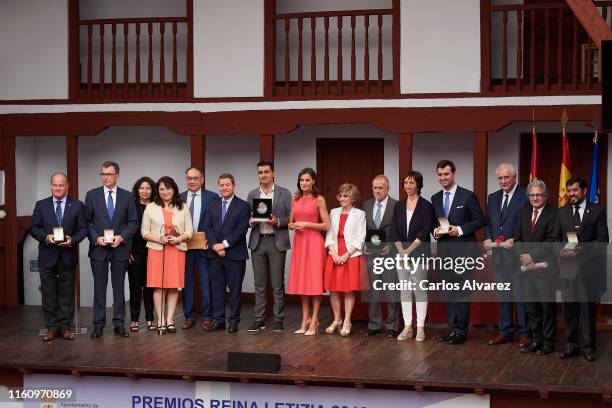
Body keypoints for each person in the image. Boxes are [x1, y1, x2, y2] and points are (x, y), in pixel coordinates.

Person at [431, 160, 485, 345]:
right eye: (440, 174)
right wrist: (435, 231)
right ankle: (453, 329)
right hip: (444, 253)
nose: (443, 178)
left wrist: (459, 230)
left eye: (446, 174)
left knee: (462, 293)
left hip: (464, 252)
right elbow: (434, 224)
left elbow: (479, 221)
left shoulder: (468, 196)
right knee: (448, 292)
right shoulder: (435, 198)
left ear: (453, 174)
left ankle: (461, 331)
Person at [30, 172, 88, 342]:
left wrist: (72, 241)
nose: (57, 188)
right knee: (48, 294)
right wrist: (46, 237)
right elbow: (34, 228)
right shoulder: (41, 205)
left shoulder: (77, 205)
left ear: (67, 186)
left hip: (67, 255)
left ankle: (65, 328)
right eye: (54, 185)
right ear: (51, 186)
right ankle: (51, 328)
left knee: (67, 293)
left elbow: (83, 229)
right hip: (47, 256)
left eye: (61, 185)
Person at [85, 161, 138, 339]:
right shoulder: (91, 195)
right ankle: (98, 325)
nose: (105, 177)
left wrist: (121, 237)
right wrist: (96, 238)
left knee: (119, 288)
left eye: (109, 174)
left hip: (120, 249)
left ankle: (119, 324)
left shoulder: (128, 196)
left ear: (117, 175)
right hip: (99, 249)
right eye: (103, 174)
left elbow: (133, 223)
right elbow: (86, 223)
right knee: (99, 288)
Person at [557, 177, 608, 361]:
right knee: (569, 311)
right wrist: (561, 251)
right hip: (568, 270)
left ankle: (588, 348)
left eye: (575, 190)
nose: (571, 194)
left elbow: (603, 240)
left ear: (584, 191)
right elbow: (554, 240)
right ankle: (571, 347)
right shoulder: (561, 212)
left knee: (587, 311)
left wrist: (581, 249)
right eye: (569, 191)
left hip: (589, 270)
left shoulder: (596, 210)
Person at [483, 163, 531, 347]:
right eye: (500, 178)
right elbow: (489, 224)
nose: (503, 181)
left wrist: (516, 240)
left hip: (517, 255)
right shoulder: (493, 198)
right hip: (498, 255)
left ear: (515, 177)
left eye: (506, 177)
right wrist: (488, 238)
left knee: (520, 296)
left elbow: (528, 224)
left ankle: (525, 332)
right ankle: (506, 331)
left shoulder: (525, 196)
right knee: (504, 297)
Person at [514, 179, 560, 355]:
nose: (535, 198)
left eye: (538, 195)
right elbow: (517, 238)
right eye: (532, 195)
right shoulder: (522, 213)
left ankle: (548, 343)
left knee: (547, 308)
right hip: (526, 269)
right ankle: (536, 340)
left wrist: (531, 256)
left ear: (545, 196)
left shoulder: (554, 214)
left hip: (544, 269)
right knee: (531, 307)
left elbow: (552, 240)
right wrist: (525, 258)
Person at [141, 176, 193, 334]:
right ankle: (160, 320)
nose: (165, 192)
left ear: (174, 189)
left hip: (176, 249)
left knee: (172, 286)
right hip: (157, 250)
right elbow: (144, 231)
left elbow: (189, 231)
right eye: (161, 189)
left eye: (168, 188)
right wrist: (159, 238)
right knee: (158, 286)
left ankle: (170, 320)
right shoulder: (150, 207)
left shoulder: (183, 207)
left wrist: (178, 238)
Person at [246, 161, 292, 332]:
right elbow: (246, 219)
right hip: (258, 241)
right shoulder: (252, 194)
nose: (263, 175)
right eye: (260, 172)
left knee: (277, 283)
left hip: (276, 240)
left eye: (266, 171)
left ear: (273, 173)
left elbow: (290, 217)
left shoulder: (284, 193)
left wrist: (278, 221)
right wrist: (250, 221)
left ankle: (278, 319)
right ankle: (259, 319)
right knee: (259, 284)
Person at [203, 173, 250, 333]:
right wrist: (216, 246)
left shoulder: (243, 206)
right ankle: (219, 320)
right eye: (221, 185)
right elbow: (207, 226)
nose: (224, 188)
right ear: (219, 186)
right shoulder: (212, 204)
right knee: (216, 288)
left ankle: (234, 321)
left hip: (235, 254)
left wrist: (223, 245)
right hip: (214, 254)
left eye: (227, 185)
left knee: (235, 289)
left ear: (233, 186)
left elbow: (241, 230)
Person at [391, 171, 434, 342]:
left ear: (418, 185)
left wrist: (408, 252)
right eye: (406, 183)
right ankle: (408, 327)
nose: (408, 186)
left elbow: (424, 231)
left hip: (419, 253)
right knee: (405, 290)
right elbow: (394, 230)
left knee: (420, 291)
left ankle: (420, 327)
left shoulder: (426, 206)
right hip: (401, 254)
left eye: (412, 183)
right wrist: (401, 251)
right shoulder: (399, 206)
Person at [287, 168, 330, 336]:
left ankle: (315, 320)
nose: (304, 183)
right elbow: (290, 222)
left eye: (307, 180)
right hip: (299, 243)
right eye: (301, 180)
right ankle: (304, 319)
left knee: (314, 282)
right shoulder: (295, 199)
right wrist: (293, 225)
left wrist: (307, 225)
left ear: (313, 181)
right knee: (302, 282)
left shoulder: (319, 199)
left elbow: (326, 225)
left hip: (314, 243)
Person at [324, 183, 366, 337]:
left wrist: (346, 255)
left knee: (349, 289)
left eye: (345, 196)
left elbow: (361, 238)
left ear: (353, 198)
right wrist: (333, 252)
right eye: (340, 195)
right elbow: (329, 235)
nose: (341, 198)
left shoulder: (359, 214)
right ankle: (337, 319)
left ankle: (347, 321)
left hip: (351, 254)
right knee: (333, 289)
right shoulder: (333, 212)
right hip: (334, 252)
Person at [362, 175, 400, 338]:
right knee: (374, 291)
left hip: (390, 253)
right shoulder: (366, 205)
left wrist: (390, 246)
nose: (377, 190)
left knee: (391, 290)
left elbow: (399, 229)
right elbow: (363, 228)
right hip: (371, 255)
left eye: (380, 187)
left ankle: (392, 325)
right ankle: (374, 324)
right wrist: (364, 245)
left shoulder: (396, 205)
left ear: (387, 188)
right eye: (375, 187)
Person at [180, 167, 218, 330]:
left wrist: (213, 240)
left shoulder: (212, 197)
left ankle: (207, 316)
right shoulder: (179, 198)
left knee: (205, 282)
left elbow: (217, 222)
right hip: (184, 247)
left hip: (205, 247)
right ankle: (189, 316)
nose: (192, 181)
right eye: (189, 178)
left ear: (202, 179)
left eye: (195, 178)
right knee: (186, 282)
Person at [127, 177, 156, 332]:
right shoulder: (131, 205)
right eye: (142, 188)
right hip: (135, 252)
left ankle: (150, 318)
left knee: (150, 287)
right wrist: (127, 251)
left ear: (153, 190)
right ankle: (134, 319)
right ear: (137, 190)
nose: (145, 191)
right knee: (135, 287)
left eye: (148, 188)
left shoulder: (156, 206)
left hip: (153, 251)